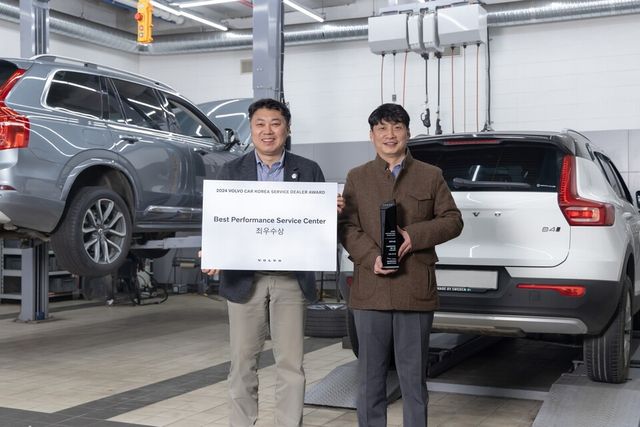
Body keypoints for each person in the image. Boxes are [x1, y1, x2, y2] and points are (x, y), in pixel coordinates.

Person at [201, 98, 344, 427]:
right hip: (244, 278)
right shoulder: (231, 171)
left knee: (291, 364)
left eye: (275, 123)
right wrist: (213, 251)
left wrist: (331, 213)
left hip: (291, 280)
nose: (268, 131)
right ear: (251, 129)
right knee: (242, 363)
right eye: (260, 124)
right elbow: (219, 219)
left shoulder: (308, 170)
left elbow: (321, 231)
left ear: (287, 129)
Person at [339, 103, 463, 426]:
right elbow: (347, 227)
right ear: (371, 135)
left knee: (413, 380)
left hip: (414, 289)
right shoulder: (357, 177)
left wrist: (414, 236)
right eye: (382, 128)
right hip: (370, 290)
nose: (389, 135)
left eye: (396, 127)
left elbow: (453, 221)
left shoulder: (430, 175)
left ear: (407, 133)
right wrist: (371, 257)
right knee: (370, 379)